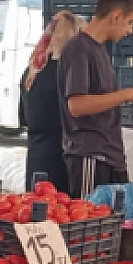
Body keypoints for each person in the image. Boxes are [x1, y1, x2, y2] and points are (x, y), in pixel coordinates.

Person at [58, 0, 133, 197]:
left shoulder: (100, 50)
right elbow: (76, 105)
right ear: (116, 15)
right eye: (130, 22)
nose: (130, 30)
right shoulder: (78, 49)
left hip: (110, 156)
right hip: (90, 155)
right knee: (89, 221)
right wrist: (128, 94)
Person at [23, 10, 83, 192]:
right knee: (62, 213)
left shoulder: (31, 72)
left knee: (36, 214)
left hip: (35, 157)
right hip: (62, 158)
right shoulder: (71, 74)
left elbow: (24, 119)